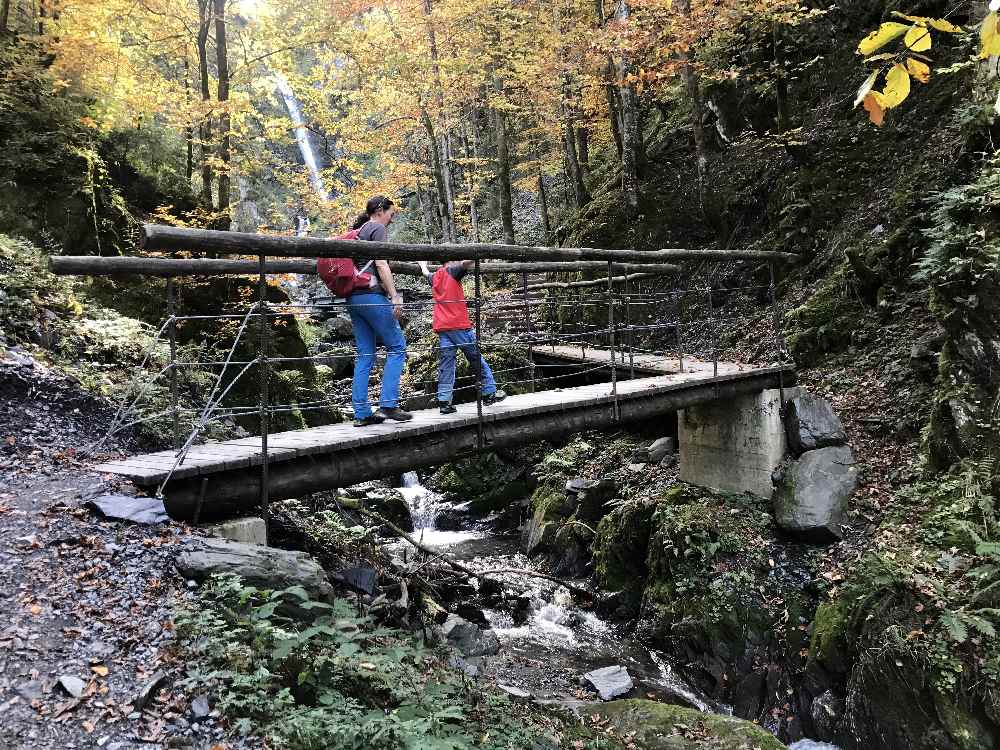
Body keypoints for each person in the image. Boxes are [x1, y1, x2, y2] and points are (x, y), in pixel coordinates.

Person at [346, 195, 412, 426]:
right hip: (372, 296)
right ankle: (389, 405)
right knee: (397, 346)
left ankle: (362, 412)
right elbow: (381, 265)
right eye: (391, 214)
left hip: (353, 298)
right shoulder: (376, 228)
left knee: (365, 354)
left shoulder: (358, 230)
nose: (391, 220)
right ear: (380, 210)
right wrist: (395, 296)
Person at [418, 259, 507, 414]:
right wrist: (476, 253)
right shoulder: (452, 271)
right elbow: (465, 263)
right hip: (458, 325)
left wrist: (422, 265)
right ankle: (489, 392)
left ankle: (444, 401)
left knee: (447, 365)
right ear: (450, 261)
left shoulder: (435, 277)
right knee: (476, 358)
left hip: (443, 328)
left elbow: (425, 273)